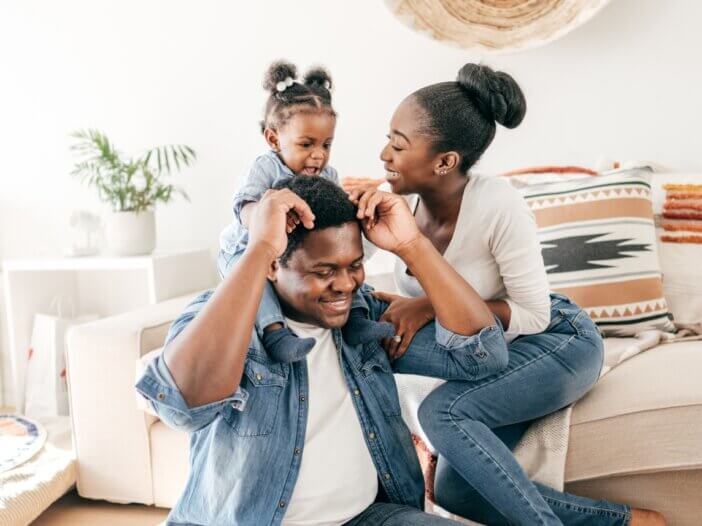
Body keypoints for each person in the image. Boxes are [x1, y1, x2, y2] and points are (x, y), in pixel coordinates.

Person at [350, 63, 666, 525]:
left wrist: (427, 302)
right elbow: (338, 267)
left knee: (444, 413)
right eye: (387, 139)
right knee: (456, 491)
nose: (383, 154)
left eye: (398, 145)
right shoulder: (398, 203)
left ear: (445, 161)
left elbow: (533, 314)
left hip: (556, 343)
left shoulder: (498, 204)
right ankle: (629, 522)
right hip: (488, 352)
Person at [136, 175, 515, 525]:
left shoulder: (365, 315)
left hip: (369, 518)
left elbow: (482, 355)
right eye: (323, 271)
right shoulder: (225, 318)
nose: (345, 284)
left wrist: (413, 245)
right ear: (272, 265)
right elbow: (180, 408)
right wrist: (260, 246)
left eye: (354, 266)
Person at [218, 60, 392, 364]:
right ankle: (275, 333)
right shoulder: (267, 167)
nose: (318, 154)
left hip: (295, 255)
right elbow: (244, 206)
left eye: (326, 144)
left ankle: (358, 320)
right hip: (246, 247)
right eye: (307, 144)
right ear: (274, 139)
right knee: (254, 284)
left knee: (345, 266)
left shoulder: (327, 175)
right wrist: (263, 219)